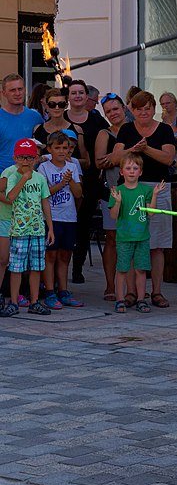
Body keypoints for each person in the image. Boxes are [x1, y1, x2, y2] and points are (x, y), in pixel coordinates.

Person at [111, 90, 176, 308]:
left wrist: (146, 149)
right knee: (130, 242)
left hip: (156, 188)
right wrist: (133, 149)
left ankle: (156, 292)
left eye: (147, 108)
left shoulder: (165, 130)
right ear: (133, 110)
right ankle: (132, 292)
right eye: (139, 109)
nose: (144, 112)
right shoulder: (127, 129)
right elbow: (116, 157)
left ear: (154, 108)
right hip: (130, 190)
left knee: (157, 245)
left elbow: (169, 158)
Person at [0, 74, 43, 303]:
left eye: (20, 89)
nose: (18, 93)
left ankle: (22, 292)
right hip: (4, 185)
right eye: (12, 90)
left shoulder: (34, 116)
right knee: (4, 246)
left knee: (24, 242)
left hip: (29, 186)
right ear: (3, 93)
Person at [0, 139, 54, 317]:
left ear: (35, 158)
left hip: (37, 229)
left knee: (37, 266)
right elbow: (10, 197)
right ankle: (13, 302)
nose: (25, 161)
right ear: (15, 157)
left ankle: (34, 301)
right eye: (22, 157)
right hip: (18, 230)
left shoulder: (39, 178)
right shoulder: (12, 174)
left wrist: (50, 228)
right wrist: (23, 178)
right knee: (16, 267)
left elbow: (45, 202)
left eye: (29, 157)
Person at [65, 79, 109, 284]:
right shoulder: (62, 117)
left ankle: (77, 269)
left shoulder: (97, 120)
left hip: (90, 180)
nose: (77, 96)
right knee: (62, 223)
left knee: (82, 225)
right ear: (68, 97)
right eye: (73, 93)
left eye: (81, 93)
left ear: (86, 96)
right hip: (63, 180)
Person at [109, 152, 165, 313]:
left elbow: (151, 213)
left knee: (141, 269)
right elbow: (113, 215)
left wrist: (154, 195)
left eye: (135, 168)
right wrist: (118, 202)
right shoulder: (117, 191)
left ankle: (141, 299)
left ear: (140, 172)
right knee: (122, 269)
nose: (132, 171)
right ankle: (120, 299)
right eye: (128, 168)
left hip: (142, 237)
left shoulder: (145, 190)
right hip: (124, 238)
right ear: (121, 172)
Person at [38, 131, 83, 309]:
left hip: (69, 217)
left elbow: (79, 194)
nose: (62, 151)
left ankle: (63, 290)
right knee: (50, 255)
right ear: (49, 149)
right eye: (57, 148)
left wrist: (70, 180)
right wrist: (62, 183)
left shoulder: (72, 167)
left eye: (65, 148)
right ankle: (49, 291)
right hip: (52, 217)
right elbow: (45, 193)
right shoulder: (44, 168)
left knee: (65, 255)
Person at [95, 92, 132, 302]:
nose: (113, 113)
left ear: (124, 108)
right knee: (112, 238)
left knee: (135, 239)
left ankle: (132, 287)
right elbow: (99, 162)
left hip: (135, 191)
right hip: (112, 191)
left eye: (115, 109)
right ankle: (110, 285)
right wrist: (125, 155)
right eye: (108, 111)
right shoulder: (104, 133)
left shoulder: (135, 129)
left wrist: (115, 157)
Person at [33, 88, 88, 166]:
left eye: (61, 104)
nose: (57, 108)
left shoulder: (77, 129)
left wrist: (70, 160)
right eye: (52, 104)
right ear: (47, 106)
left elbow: (86, 162)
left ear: (66, 105)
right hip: (44, 176)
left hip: (69, 175)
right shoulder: (38, 129)